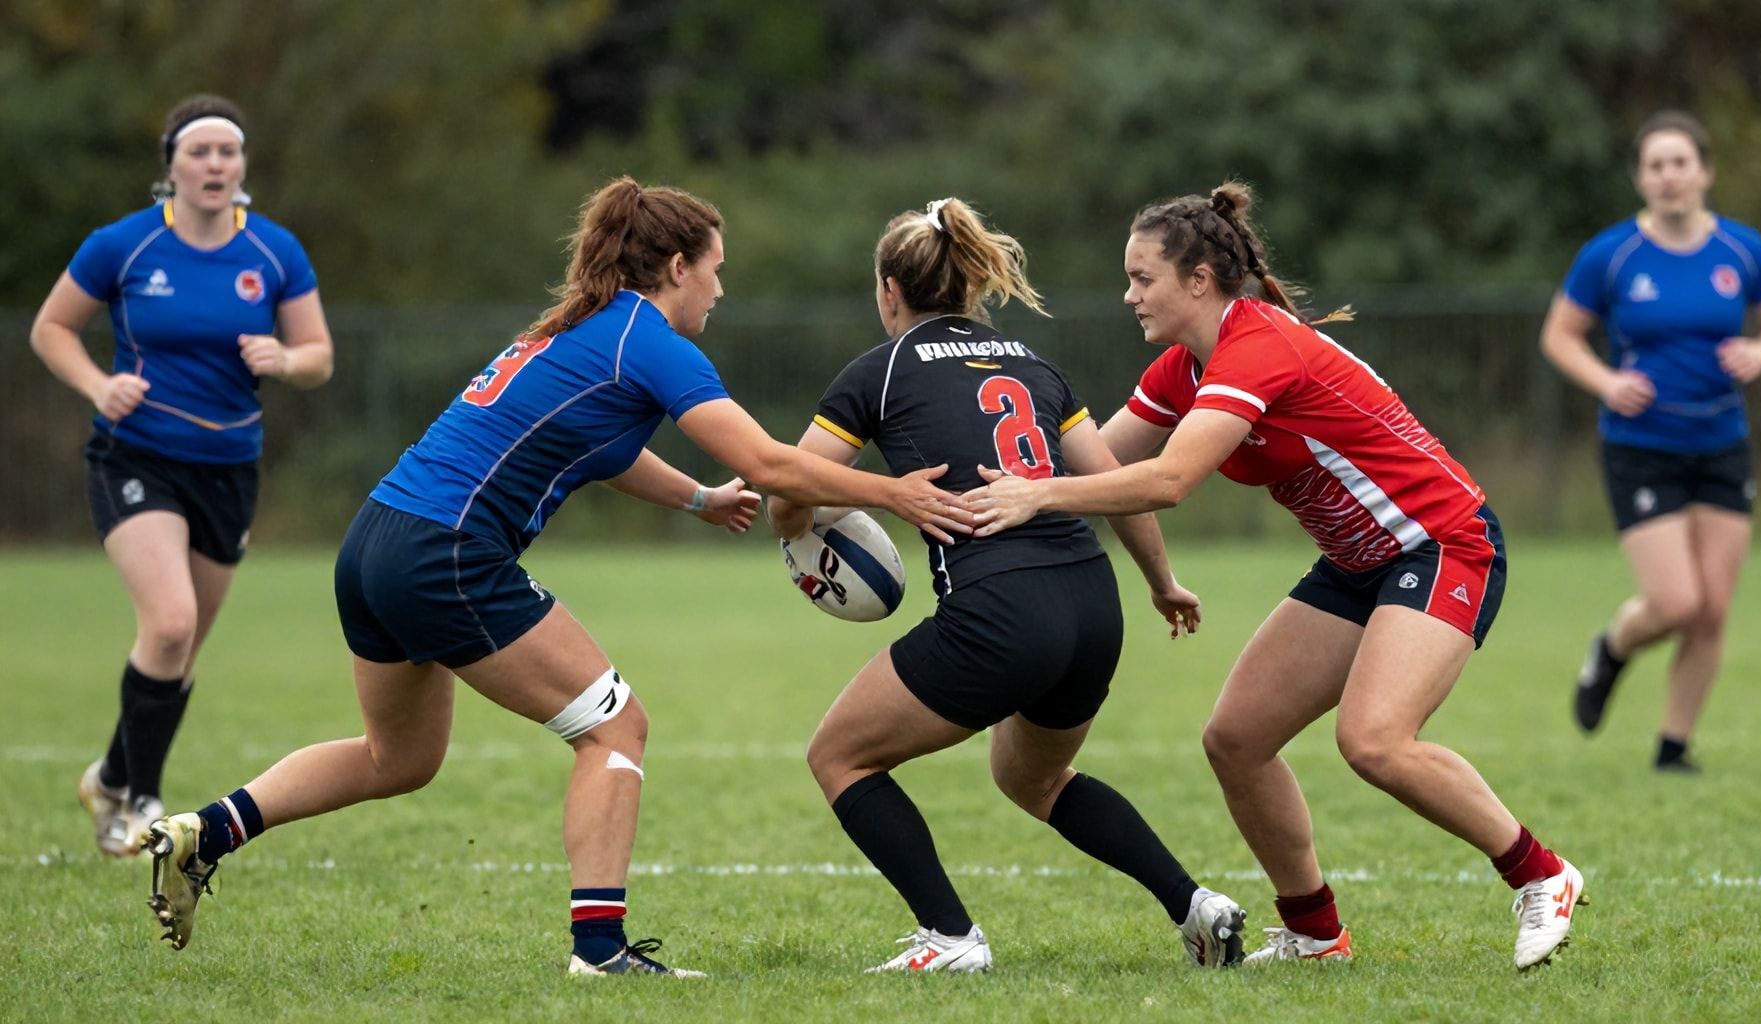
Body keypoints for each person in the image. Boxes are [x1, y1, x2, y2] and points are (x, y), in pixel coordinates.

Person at [138, 177, 974, 977]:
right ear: (678, 268)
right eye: (716, 270)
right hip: (446, 552)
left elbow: (602, 451)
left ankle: (205, 833)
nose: (719, 290)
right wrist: (889, 490)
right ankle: (600, 950)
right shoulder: (646, 339)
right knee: (617, 728)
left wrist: (696, 499)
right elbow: (769, 461)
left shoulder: (579, 329)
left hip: (375, 542)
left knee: (397, 757)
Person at [964, 183, 1585, 970]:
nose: (1128, 295)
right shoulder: (1182, 369)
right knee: (1237, 739)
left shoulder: (1257, 348)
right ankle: (1316, 935)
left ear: (1197, 279)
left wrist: (1038, 494)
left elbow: (1166, 481)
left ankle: (1542, 876)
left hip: (1443, 544)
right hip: (1360, 564)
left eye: (1141, 277)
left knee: (1374, 741)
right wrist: (969, 479)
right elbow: (1096, 460)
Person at [768, 198, 1247, 973]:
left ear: (891, 289)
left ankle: (950, 939)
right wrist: (1163, 581)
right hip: (1094, 606)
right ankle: (1196, 908)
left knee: (839, 756)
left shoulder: (879, 371)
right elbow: (1115, 481)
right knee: (1034, 776)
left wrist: (815, 523)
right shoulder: (1034, 362)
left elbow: (788, 493)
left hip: (1002, 612)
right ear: (967, 286)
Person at [28, 95, 334, 857]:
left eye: (228, 152)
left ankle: (110, 775)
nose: (215, 165)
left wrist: (284, 360)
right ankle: (137, 801)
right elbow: (51, 328)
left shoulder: (273, 252)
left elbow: (318, 356)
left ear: (242, 167)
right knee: (168, 624)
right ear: (170, 164)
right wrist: (100, 388)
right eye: (199, 151)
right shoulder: (123, 246)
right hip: (135, 457)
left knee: (182, 650)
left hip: (229, 468)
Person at [1540, 110, 1761, 772]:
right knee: (1677, 602)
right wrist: (1606, 382)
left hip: (1722, 442)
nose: (1670, 176)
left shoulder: (1742, 250)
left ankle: (1673, 748)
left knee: (1711, 611)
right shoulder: (1612, 254)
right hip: (1639, 443)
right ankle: (1613, 648)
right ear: (1640, 178)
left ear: (1704, 171)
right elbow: (1560, 336)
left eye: (1681, 163)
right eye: (1656, 165)